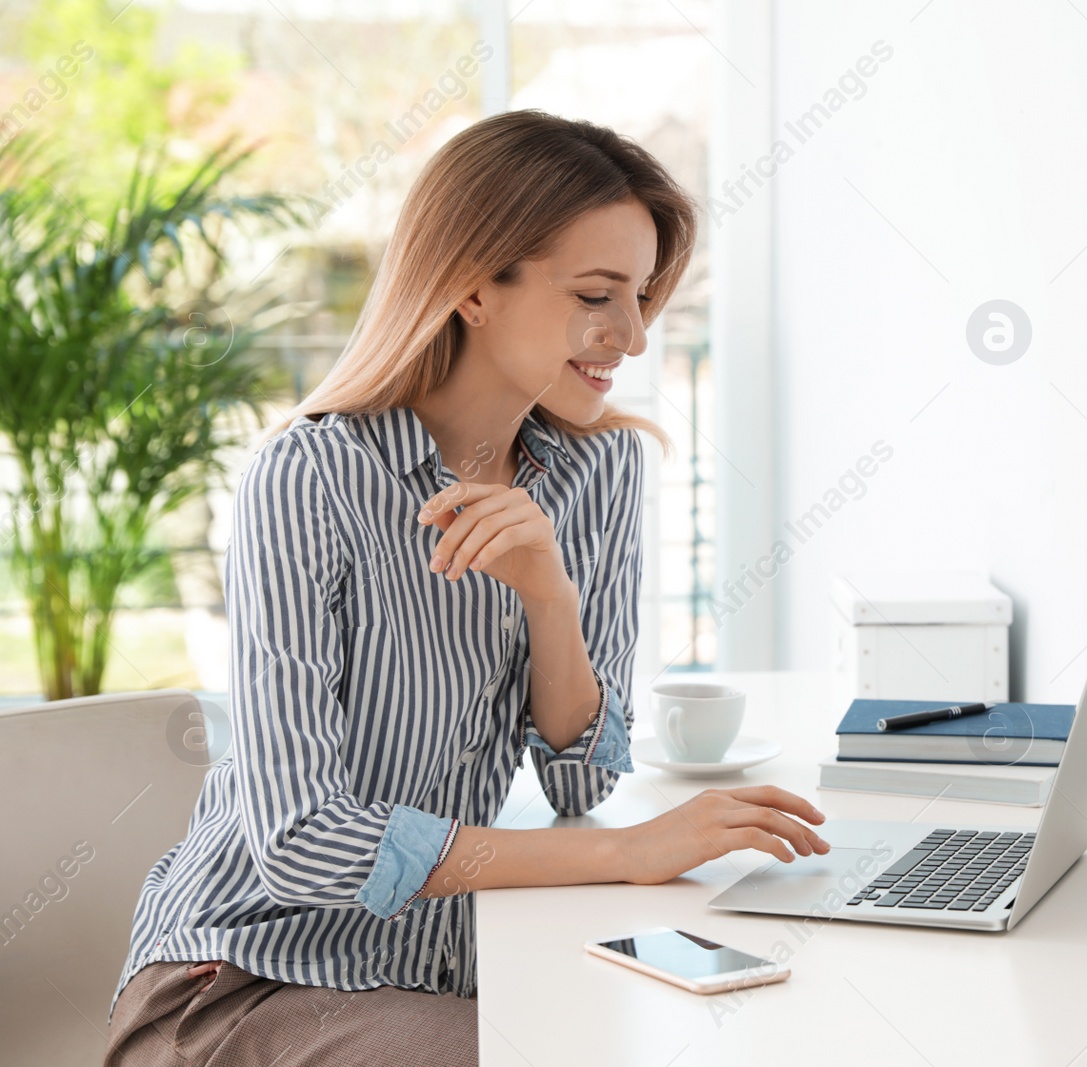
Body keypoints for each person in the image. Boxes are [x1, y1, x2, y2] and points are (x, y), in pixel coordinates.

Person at [104, 109, 828, 1067]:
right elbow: (300, 839)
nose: (633, 337)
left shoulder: (596, 471)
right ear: (478, 286)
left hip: (434, 970)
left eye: (642, 297)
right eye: (596, 295)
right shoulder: (309, 479)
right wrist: (625, 852)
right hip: (243, 980)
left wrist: (549, 595)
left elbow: (581, 777)